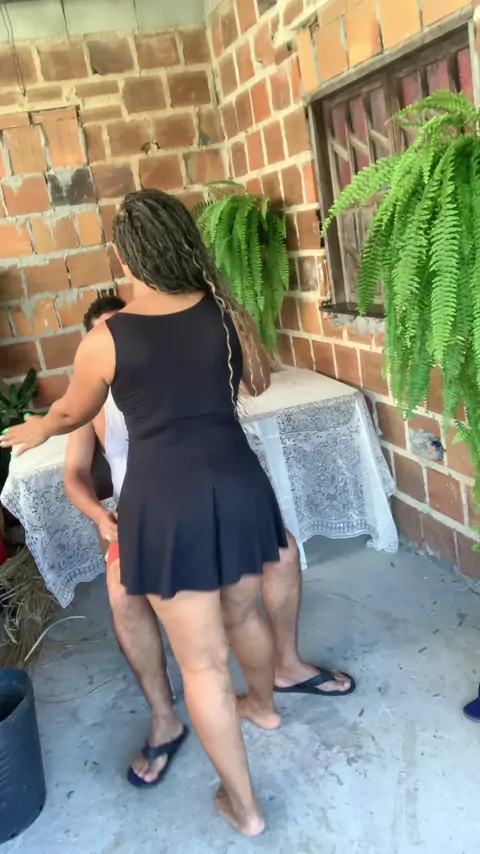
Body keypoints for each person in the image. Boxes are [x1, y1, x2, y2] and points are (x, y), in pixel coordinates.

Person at [1, 191, 352, 836]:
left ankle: (244, 809)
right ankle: (264, 708)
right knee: (243, 614)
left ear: (123, 256)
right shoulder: (224, 311)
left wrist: (38, 427)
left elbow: (73, 410)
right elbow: (258, 382)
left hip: (164, 505)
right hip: (239, 484)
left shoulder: (106, 338)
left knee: (203, 665)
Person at [63, 294, 356, 795]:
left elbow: (254, 382)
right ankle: (164, 718)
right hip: (140, 517)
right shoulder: (92, 398)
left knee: (282, 552)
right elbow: (73, 473)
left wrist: (232, 309)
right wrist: (98, 515)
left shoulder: (179, 367)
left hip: (203, 499)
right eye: (107, 333)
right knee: (121, 594)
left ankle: (285, 666)